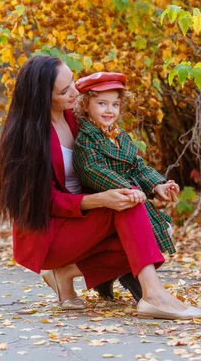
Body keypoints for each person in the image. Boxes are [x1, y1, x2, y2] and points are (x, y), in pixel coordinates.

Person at [0, 55, 201, 320]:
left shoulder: (76, 120)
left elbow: (125, 162)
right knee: (127, 205)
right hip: (50, 233)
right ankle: (154, 296)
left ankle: (66, 273)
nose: (75, 91)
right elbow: (43, 202)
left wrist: (156, 186)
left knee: (150, 232)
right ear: (41, 97)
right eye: (64, 90)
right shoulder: (27, 139)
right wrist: (100, 200)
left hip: (84, 224)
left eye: (72, 82)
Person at [72, 72, 179, 257]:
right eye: (102, 103)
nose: (109, 110)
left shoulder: (119, 135)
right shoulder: (86, 138)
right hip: (107, 205)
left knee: (163, 230)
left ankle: (130, 276)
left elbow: (136, 165)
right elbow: (93, 170)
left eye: (115, 104)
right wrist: (128, 189)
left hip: (129, 198)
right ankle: (84, 272)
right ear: (85, 105)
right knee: (148, 236)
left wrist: (157, 185)